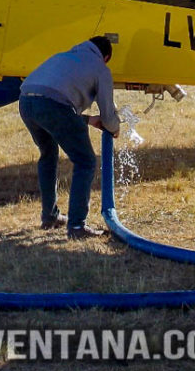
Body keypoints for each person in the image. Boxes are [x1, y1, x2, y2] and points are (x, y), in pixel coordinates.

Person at [18, 36, 121, 239]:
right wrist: (114, 128)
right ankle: (76, 227)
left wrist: (89, 120)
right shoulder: (100, 68)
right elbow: (108, 116)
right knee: (85, 162)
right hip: (53, 106)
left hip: (25, 102)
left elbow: (52, 99)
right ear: (106, 56)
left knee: (48, 154)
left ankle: (49, 216)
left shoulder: (63, 57)